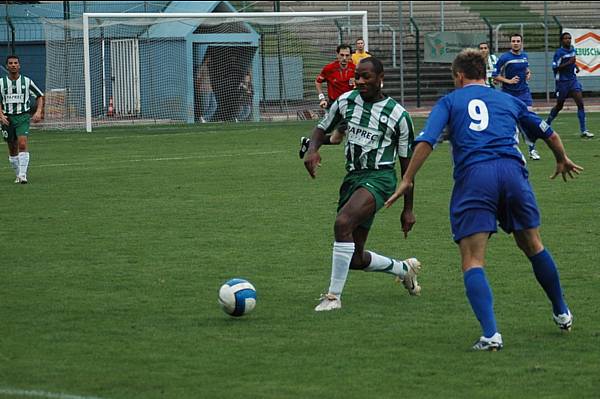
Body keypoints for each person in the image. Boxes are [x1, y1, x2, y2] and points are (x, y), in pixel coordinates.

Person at [385, 48, 582, 351]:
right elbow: (550, 134)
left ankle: (491, 335)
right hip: (513, 172)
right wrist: (562, 159)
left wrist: (407, 178)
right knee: (533, 244)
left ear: (459, 75)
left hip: (476, 176)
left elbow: (426, 140)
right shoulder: (508, 100)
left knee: (473, 259)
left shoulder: (450, 101)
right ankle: (561, 311)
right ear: (486, 74)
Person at [304, 57, 422, 312]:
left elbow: (407, 169)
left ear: (381, 78)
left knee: (342, 224)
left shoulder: (398, 115)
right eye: (357, 76)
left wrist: (408, 208)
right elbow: (321, 128)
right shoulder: (346, 101)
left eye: (366, 77)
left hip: (380, 178)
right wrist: (313, 149)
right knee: (355, 259)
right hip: (353, 179)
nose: (360, 81)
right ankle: (404, 269)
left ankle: (333, 297)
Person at [299, 44, 356, 159]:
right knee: (348, 133)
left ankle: (309, 143)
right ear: (337, 55)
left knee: (335, 140)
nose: (344, 58)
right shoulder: (329, 69)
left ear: (350, 56)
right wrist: (322, 98)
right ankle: (354, 160)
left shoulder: (355, 69)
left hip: (349, 106)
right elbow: (318, 81)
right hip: (334, 106)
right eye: (341, 55)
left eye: (347, 55)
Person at [492, 33, 541, 160]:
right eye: (513, 41)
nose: (515, 43)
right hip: (509, 94)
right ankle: (507, 149)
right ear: (510, 43)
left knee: (528, 121)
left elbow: (526, 69)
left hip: (524, 93)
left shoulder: (525, 56)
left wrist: (528, 73)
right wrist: (508, 81)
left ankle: (532, 150)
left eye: (518, 41)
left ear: (521, 43)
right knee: (510, 123)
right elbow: (495, 75)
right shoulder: (504, 58)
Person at [0, 55, 44, 184]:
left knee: (22, 144)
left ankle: (23, 175)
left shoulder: (27, 81)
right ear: (7, 66)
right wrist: (1, 115)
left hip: (22, 116)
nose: (13, 65)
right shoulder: (1, 83)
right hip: (7, 118)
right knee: (12, 149)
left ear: (19, 65)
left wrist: (38, 111)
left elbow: (39, 96)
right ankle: (18, 174)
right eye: (10, 63)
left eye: (15, 63)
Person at [546, 32, 594, 138]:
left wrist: (575, 66)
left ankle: (584, 130)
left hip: (573, 81)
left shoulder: (572, 49)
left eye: (569, 38)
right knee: (559, 106)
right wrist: (569, 63)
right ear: (561, 40)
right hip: (562, 82)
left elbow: (573, 61)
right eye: (566, 38)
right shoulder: (558, 53)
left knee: (580, 104)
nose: (568, 40)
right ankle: (547, 123)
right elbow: (555, 68)